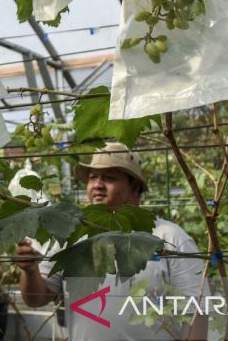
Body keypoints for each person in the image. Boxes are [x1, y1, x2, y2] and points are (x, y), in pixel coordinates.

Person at [16, 142, 208, 341]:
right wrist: (29, 271)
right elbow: (36, 299)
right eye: (92, 177)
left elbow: (195, 313)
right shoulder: (69, 237)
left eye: (109, 177)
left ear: (134, 187)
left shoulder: (171, 238)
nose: (97, 184)